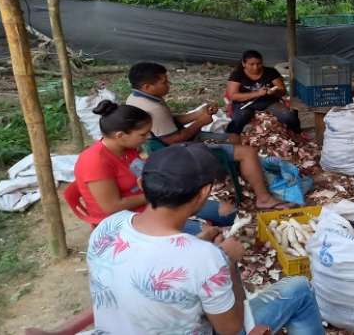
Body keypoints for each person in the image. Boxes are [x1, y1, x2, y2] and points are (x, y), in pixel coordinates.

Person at [87, 143, 324, 335]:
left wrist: (201, 243)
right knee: (300, 288)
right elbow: (231, 328)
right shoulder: (205, 258)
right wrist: (226, 262)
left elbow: (151, 258)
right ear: (204, 192)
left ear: (141, 184)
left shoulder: (108, 225)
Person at [125, 62, 292, 210]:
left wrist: (196, 115)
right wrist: (201, 122)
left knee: (234, 138)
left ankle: (243, 181)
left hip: (179, 143)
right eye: (163, 82)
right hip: (179, 151)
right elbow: (175, 139)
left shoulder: (137, 97)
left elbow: (169, 120)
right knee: (247, 152)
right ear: (147, 86)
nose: (168, 84)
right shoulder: (153, 108)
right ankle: (263, 198)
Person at [73, 101, 236, 234]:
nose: (147, 138)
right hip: (127, 219)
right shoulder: (95, 161)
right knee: (208, 237)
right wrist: (162, 192)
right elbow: (111, 207)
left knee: (229, 214)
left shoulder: (127, 149)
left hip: (157, 201)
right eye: (143, 134)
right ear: (120, 136)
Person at [226, 50, 301, 144]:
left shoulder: (271, 72)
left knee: (289, 116)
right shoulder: (237, 74)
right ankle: (230, 142)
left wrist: (273, 92)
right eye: (251, 64)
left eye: (259, 64)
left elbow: (282, 91)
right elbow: (233, 96)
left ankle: (297, 137)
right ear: (244, 63)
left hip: (268, 102)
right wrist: (257, 93)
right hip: (245, 103)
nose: (256, 67)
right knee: (238, 120)